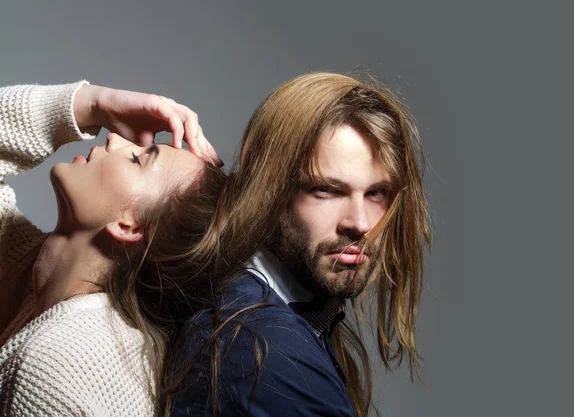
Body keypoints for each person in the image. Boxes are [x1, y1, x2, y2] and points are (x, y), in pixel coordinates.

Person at [166, 72, 431, 417]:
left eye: (376, 193)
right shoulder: (266, 350)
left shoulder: (285, 311)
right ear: (268, 192)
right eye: (326, 190)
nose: (361, 223)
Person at [0, 80, 224, 416]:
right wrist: (95, 104)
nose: (114, 138)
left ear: (129, 226)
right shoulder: (28, 281)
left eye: (136, 159)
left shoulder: (54, 370)